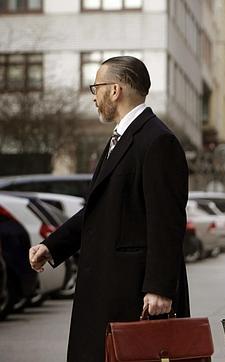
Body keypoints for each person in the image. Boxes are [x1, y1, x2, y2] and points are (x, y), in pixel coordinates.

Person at [28, 56, 190, 361]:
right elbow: (100, 209)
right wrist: (52, 246)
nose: (94, 95)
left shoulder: (157, 141)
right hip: (108, 288)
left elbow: (167, 222)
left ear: (115, 90)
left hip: (132, 293)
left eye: (97, 87)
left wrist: (160, 288)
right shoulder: (123, 137)